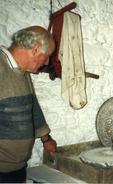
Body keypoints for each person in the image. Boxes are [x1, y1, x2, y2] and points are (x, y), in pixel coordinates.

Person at [0, 26, 57, 183]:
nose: (46, 62)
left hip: (17, 168)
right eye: (47, 56)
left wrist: (46, 139)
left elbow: (33, 108)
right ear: (35, 49)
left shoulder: (23, 72)